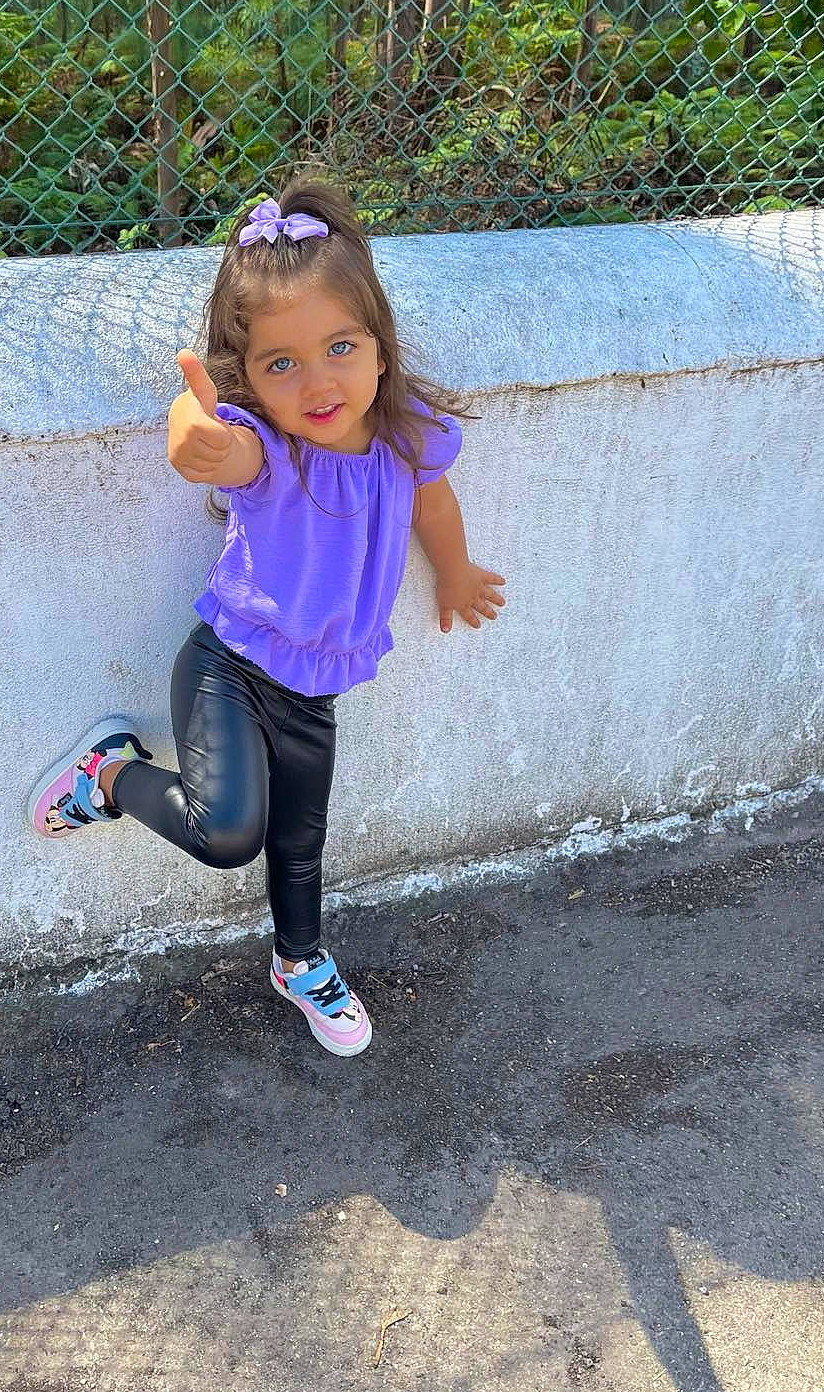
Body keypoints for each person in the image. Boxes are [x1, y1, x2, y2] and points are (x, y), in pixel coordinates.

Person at [27, 178, 506, 1057]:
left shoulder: (408, 436)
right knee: (228, 837)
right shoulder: (270, 452)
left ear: (380, 347)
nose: (317, 381)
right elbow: (218, 441)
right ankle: (110, 777)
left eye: (339, 347)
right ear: (248, 377)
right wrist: (192, 431)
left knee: (300, 841)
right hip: (231, 669)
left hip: (315, 685)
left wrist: (457, 571)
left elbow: (432, 506)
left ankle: (300, 958)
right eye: (281, 363)